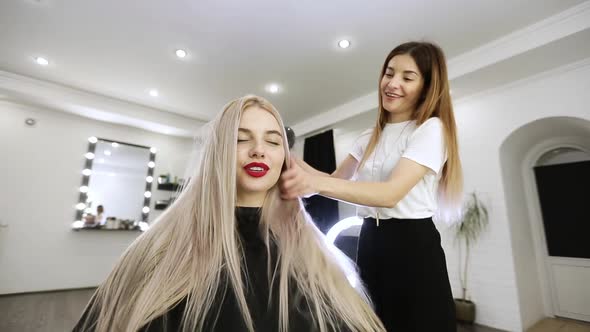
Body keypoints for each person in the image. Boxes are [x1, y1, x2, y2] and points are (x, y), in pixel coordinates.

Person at [73, 95, 385, 332]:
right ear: (218, 152)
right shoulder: (159, 251)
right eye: (241, 138)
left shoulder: (312, 257)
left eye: (273, 141)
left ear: (284, 159)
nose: (259, 150)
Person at [280, 41, 463, 332]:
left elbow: (390, 194)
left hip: (413, 245)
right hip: (369, 241)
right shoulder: (368, 137)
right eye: (389, 73)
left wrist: (314, 182)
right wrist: (283, 154)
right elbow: (334, 183)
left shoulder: (430, 130)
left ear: (427, 87)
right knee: (375, 324)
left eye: (407, 77)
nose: (392, 83)